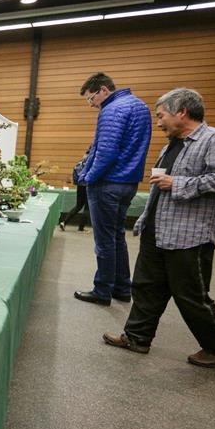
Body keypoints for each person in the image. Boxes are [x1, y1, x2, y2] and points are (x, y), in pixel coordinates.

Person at [103, 88, 215, 367]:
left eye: (161, 115)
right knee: (145, 287)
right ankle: (136, 338)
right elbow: (159, 185)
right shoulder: (171, 145)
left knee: (190, 296)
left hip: (190, 236)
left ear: (182, 112)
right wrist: (145, 219)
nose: (158, 122)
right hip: (158, 230)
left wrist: (178, 184)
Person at [74, 73, 152, 306]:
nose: (91, 105)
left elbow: (106, 152)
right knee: (117, 236)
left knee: (104, 240)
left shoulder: (111, 109)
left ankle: (102, 290)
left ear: (103, 90)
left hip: (107, 184)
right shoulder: (139, 105)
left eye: (91, 99)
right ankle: (122, 287)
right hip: (128, 183)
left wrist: (88, 177)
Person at [59, 147, 91, 232]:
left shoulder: (84, 157)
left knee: (78, 206)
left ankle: (64, 222)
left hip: (80, 184)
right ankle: (81, 228)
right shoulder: (93, 158)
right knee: (87, 208)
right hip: (88, 185)